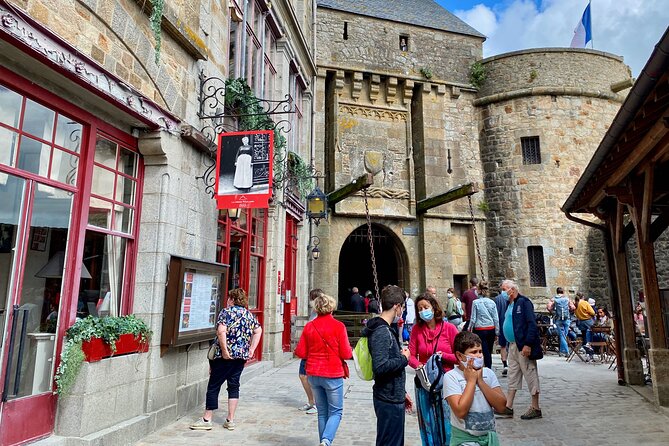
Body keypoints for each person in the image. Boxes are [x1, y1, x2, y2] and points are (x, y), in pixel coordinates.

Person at [190, 288, 262, 431]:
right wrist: (251, 349)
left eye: (229, 298)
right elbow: (258, 331)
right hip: (240, 357)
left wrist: (224, 350)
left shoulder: (226, 312)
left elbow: (221, 331)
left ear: (232, 299)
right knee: (234, 386)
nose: (227, 300)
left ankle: (207, 419)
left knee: (214, 385)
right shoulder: (248, 315)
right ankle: (230, 419)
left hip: (225, 357)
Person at [295, 292, 352, 446]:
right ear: (331, 308)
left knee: (322, 412)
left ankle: (324, 441)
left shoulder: (309, 326)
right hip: (332, 373)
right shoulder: (338, 326)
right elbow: (346, 353)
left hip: (313, 373)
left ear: (316, 309)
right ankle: (326, 441)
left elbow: (300, 352)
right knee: (336, 412)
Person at [362, 285, 413, 446]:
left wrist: (402, 391)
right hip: (388, 399)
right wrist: (404, 359)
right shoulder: (382, 332)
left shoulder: (385, 329)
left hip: (393, 394)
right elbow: (381, 366)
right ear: (397, 306)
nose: (402, 312)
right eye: (402, 307)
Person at [408, 293, 459, 446]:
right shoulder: (417, 329)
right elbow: (410, 355)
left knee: (447, 421)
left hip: (447, 381)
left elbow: (459, 356)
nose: (423, 311)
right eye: (420, 308)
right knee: (428, 422)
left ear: (434, 307)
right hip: (425, 383)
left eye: (426, 307)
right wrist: (418, 365)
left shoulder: (449, 328)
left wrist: (443, 356)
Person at [444, 331, 507, 446]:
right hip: (465, 441)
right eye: (473, 352)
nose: (479, 356)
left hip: (489, 438)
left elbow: (502, 406)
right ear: (459, 355)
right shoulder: (451, 377)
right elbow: (460, 411)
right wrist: (472, 381)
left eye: (480, 351)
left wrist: (481, 381)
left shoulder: (488, 373)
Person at [495, 279, 543, 420]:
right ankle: (508, 406)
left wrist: (528, 344)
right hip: (513, 345)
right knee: (513, 375)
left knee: (530, 374)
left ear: (512, 289)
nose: (503, 292)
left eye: (505, 289)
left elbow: (531, 324)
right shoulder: (510, 304)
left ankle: (536, 407)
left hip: (523, 345)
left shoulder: (524, 302)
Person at [298, 288, 323, 415]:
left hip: (313, 350)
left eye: (311, 299)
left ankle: (317, 404)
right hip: (308, 349)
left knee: (309, 377)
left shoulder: (319, 314)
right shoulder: (314, 313)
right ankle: (311, 402)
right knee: (303, 376)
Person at [468, 282, 499, 369]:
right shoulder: (492, 302)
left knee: (482, 349)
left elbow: (473, 318)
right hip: (491, 328)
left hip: (479, 328)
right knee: (489, 350)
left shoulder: (475, 302)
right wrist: (497, 331)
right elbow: (495, 318)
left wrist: (469, 329)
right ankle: (489, 366)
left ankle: (484, 366)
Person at [546, 287, 574, 357]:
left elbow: (549, 308)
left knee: (562, 335)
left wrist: (553, 312)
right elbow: (573, 307)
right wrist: (569, 310)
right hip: (566, 319)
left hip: (558, 319)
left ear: (557, 292)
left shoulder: (554, 299)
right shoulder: (567, 299)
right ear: (563, 292)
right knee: (564, 335)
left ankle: (562, 351)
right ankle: (567, 352)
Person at [493, 290, 509, 376]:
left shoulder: (497, 299)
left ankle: (505, 364)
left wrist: (496, 329)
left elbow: (495, 314)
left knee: (503, 346)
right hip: (511, 324)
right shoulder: (512, 297)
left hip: (502, 324)